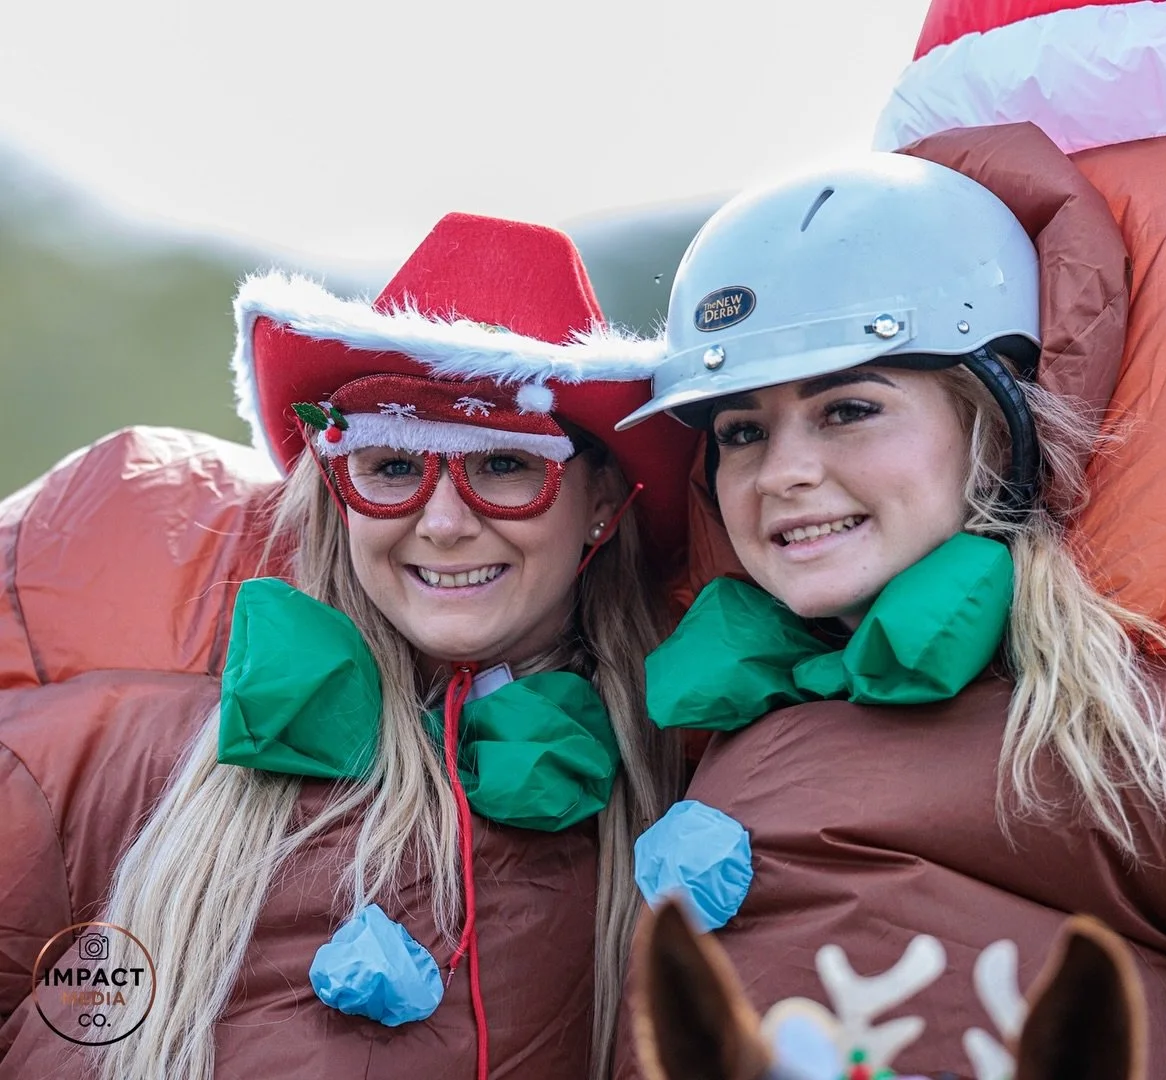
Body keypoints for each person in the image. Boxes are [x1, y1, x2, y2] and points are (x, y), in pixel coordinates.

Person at [615, 126, 1166, 1079]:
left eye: (849, 409)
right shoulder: (706, 731)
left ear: (995, 429)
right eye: (743, 431)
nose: (784, 473)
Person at [0, 213, 697, 1080]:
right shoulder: (127, 761)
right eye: (395, 467)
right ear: (336, 490)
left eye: (506, 467)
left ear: (600, 499)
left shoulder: (689, 774)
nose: (442, 524)